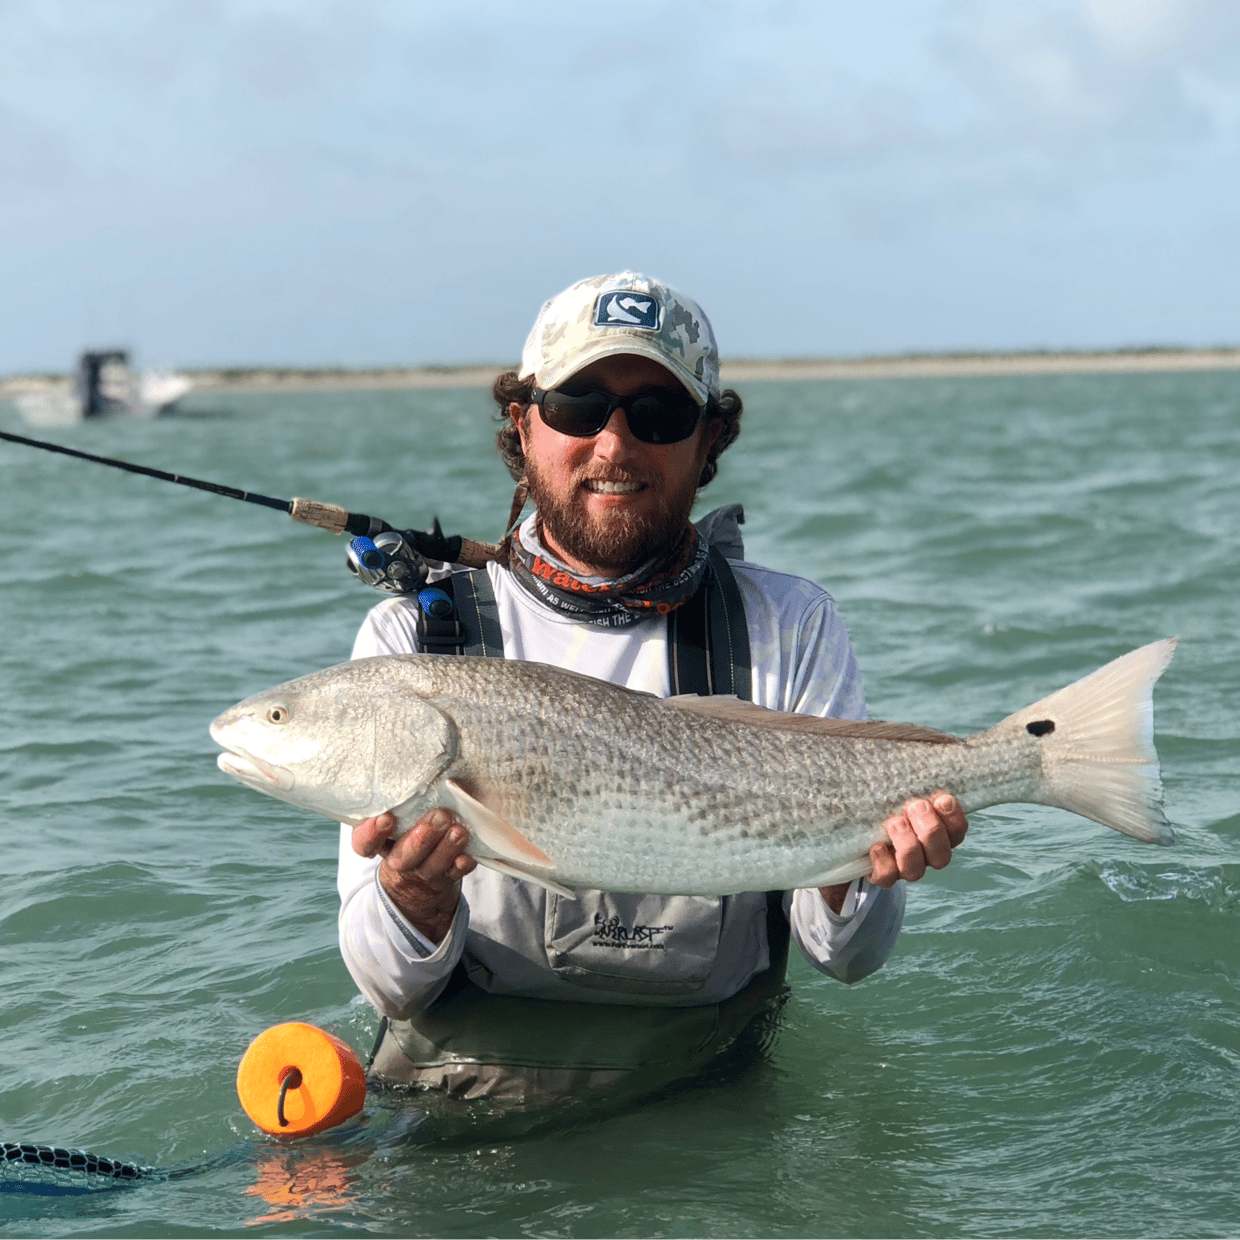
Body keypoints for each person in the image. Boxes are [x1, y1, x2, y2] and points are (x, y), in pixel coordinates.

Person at [337, 272, 968, 1102]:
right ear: (523, 427)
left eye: (659, 414)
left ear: (708, 443)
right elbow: (389, 988)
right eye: (578, 406)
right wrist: (412, 898)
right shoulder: (414, 645)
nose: (614, 444)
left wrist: (860, 870)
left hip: (705, 1102)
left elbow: (846, 958)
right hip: (456, 1109)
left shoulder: (788, 626)